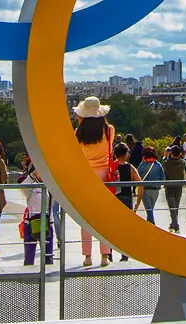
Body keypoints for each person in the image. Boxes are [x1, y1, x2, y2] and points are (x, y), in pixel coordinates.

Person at [72, 97, 118, 267]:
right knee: (103, 219)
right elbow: (109, 149)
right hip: (105, 176)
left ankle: (87, 256)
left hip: (85, 176)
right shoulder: (109, 130)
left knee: (87, 219)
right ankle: (105, 255)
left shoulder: (79, 132)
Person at [161, 145, 186, 232]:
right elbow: (185, 162)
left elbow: (163, 163)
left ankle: (176, 226)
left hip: (169, 188)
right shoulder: (182, 163)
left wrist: (165, 155)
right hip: (179, 187)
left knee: (172, 207)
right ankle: (173, 223)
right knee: (176, 206)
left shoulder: (166, 163)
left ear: (171, 153)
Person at [136, 148, 165, 224]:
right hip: (156, 191)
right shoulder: (158, 165)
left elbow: (137, 177)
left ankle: (152, 225)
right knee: (150, 210)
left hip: (145, 190)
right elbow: (163, 179)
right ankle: (150, 225)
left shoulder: (142, 165)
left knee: (149, 210)